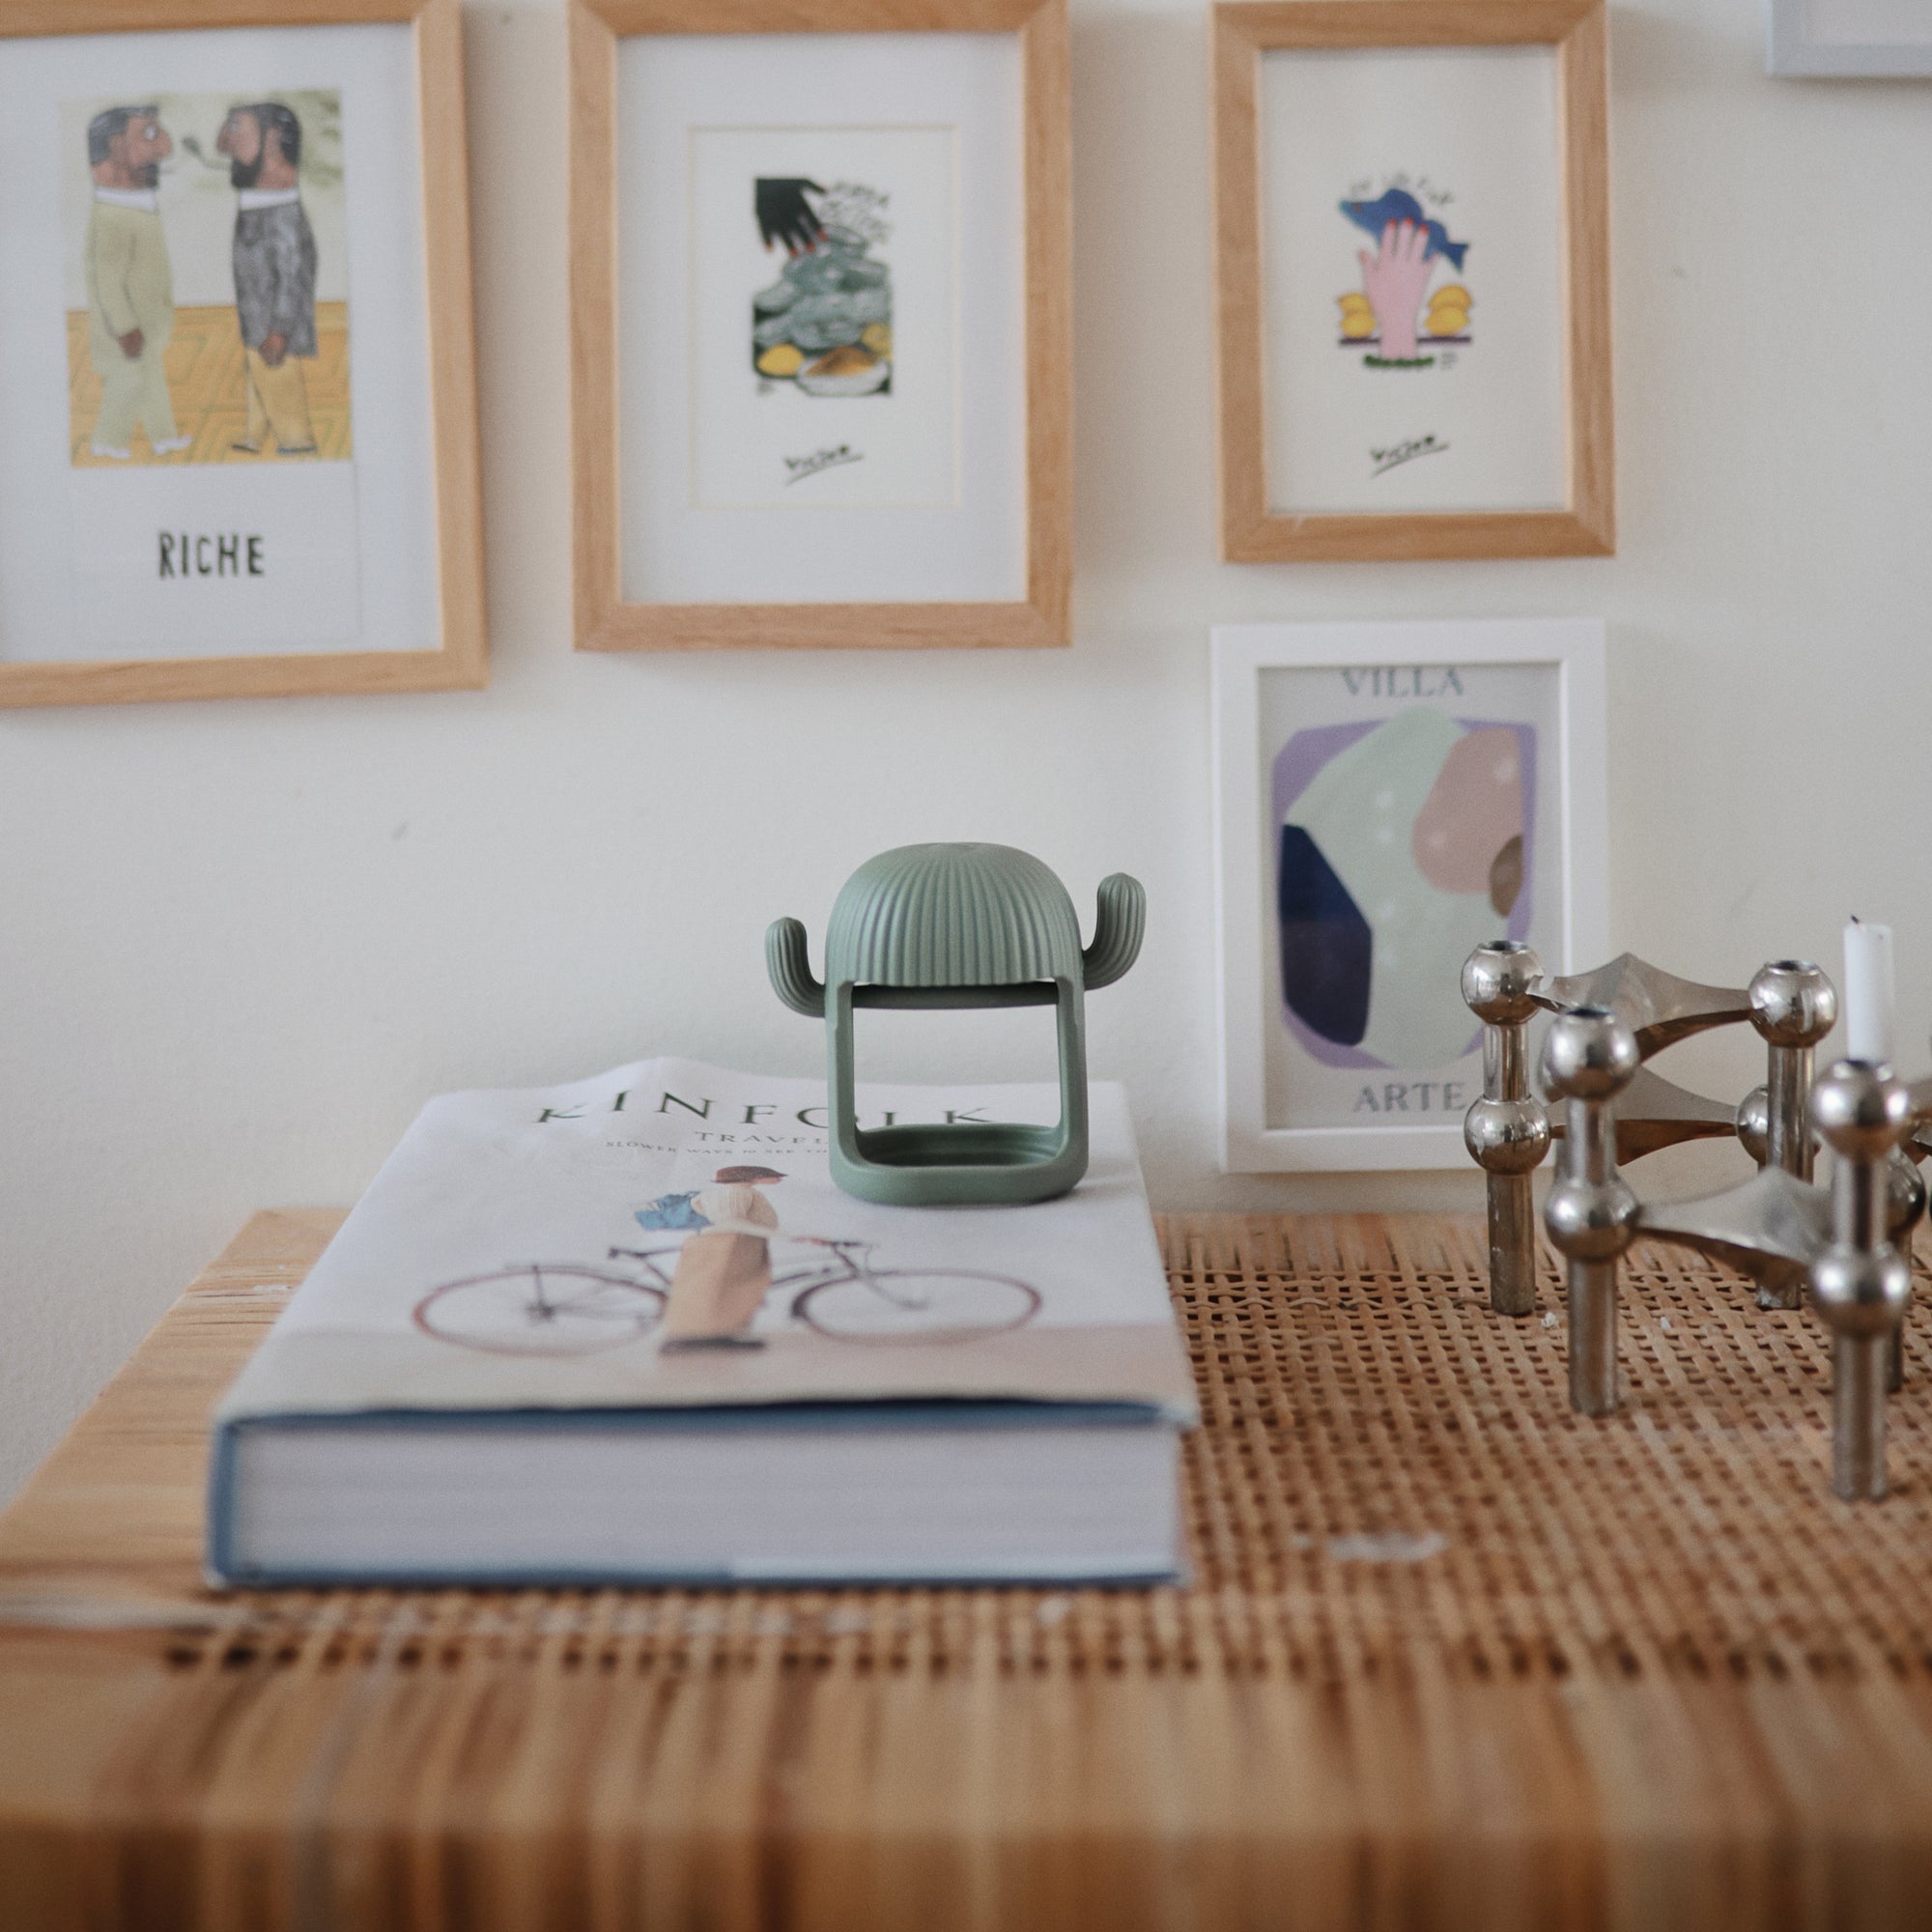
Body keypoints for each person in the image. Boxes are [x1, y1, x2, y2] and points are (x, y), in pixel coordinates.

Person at [84, 105, 187, 460]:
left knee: (152, 381)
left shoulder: (138, 206)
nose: (164, 147)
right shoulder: (112, 216)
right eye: (149, 134)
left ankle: (164, 436)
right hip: (124, 332)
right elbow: (108, 281)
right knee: (127, 385)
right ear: (115, 147)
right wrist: (126, 326)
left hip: (147, 326)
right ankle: (107, 442)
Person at [214, 101, 318, 455]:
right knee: (256, 366)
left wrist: (281, 328)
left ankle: (296, 440)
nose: (226, 140)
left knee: (277, 370)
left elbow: (292, 274)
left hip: (276, 327)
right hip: (257, 319)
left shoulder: (282, 213)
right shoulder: (254, 201)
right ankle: (255, 434)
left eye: (237, 129)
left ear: (272, 139)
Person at [658, 1166, 786, 1351]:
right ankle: (703, 1334)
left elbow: (697, 1206)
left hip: (717, 1240)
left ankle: (717, 1333)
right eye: (771, 1176)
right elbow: (733, 1221)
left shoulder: (710, 1195)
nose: (776, 1179)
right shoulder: (739, 1194)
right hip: (733, 1242)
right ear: (749, 1176)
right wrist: (787, 1237)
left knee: (708, 1286)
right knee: (728, 1286)